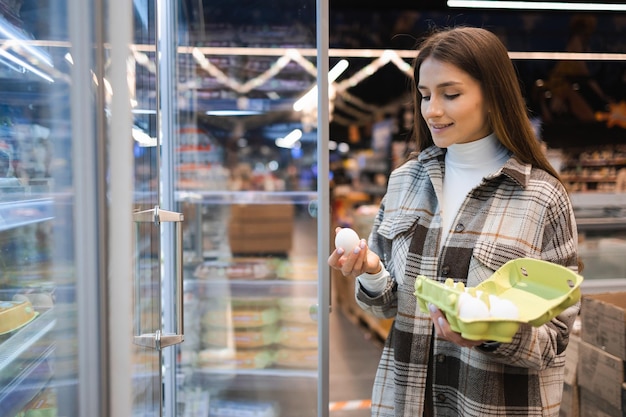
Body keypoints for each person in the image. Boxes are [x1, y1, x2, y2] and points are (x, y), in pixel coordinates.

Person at [328, 26, 580, 417]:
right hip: (409, 403)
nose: (432, 110)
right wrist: (372, 271)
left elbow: (556, 340)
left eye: (451, 94)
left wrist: (489, 333)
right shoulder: (405, 181)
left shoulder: (541, 198)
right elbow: (388, 308)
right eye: (425, 95)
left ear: (493, 95)